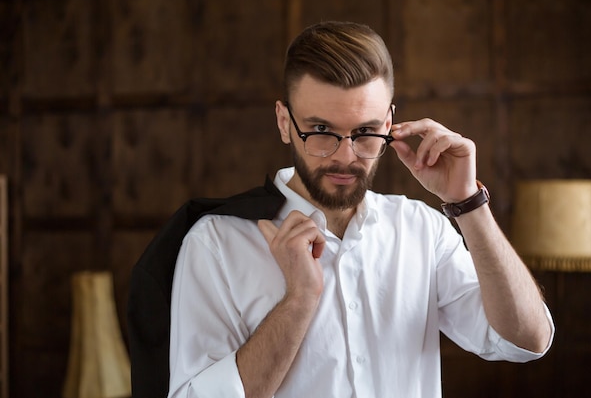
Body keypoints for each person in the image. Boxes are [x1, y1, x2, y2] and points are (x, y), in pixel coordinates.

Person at [167, 21, 554, 398]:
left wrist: (468, 204)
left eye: (366, 133)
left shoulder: (421, 229)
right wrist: (299, 300)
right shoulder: (215, 243)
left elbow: (526, 340)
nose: (345, 157)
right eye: (321, 131)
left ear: (388, 124)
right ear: (285, 123)